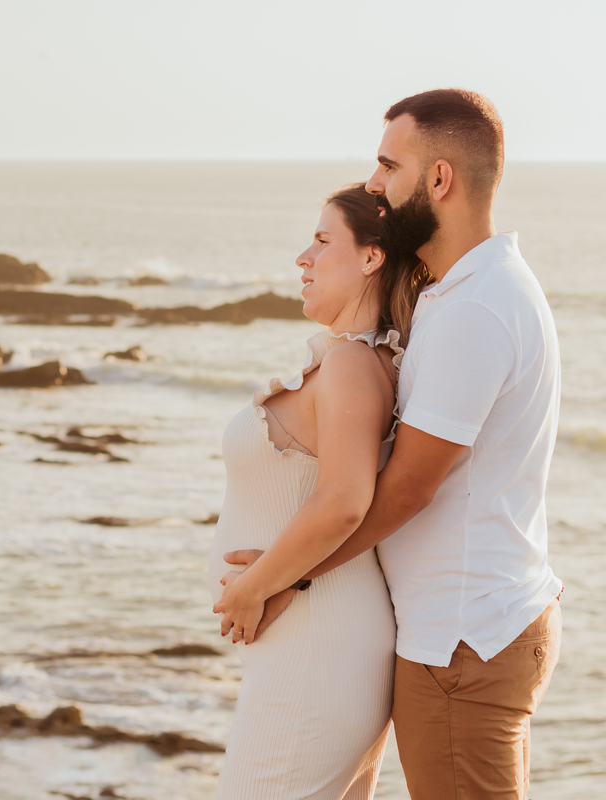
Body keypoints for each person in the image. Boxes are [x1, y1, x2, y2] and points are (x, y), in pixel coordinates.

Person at [218, 88, 563, 799]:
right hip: (465, 627)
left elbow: (405, 485)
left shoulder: (476, 308)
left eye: (388, 165)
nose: (375, 183)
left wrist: (277, 580)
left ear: (439, 179)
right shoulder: (458, 295)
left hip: (463, 637)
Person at [206, 182, 430, 798]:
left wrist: (254, 586)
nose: (302, 258)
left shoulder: (354, 366)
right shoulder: (351, 360)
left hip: (317, 645)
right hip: (315, 641)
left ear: (370, 258)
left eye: (324, 241)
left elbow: (345, 499)